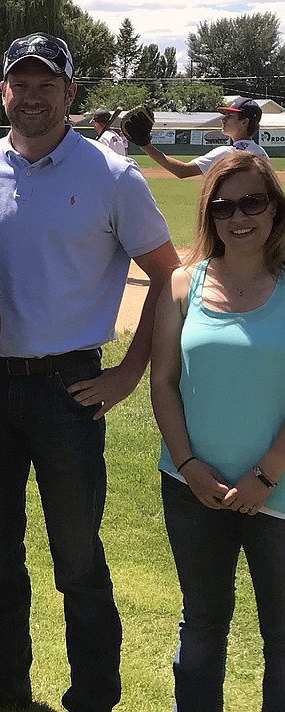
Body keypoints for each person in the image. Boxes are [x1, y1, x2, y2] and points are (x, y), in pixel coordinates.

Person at [0, 32, 180, 712]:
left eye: (48, 83)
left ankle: (94, 695)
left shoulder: (111, 176)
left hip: (68, 388)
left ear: (70, 94)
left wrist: (131, 372)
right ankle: (6, 688)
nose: (34, 95)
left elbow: (169, 276)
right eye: (22, 82)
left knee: (78, 561)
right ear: (4, 93)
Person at [149, 150, 285, 711]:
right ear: (210, 215)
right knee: (203, 624)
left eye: (253, 201)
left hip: (276, 494)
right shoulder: (183, 283)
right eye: (224, 206)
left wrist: (264, 476)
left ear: (275, 208)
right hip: (192, 489)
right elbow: (163, 382)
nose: (239, 216)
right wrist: (187, 464)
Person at [128, 97, 269, 178]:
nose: (223, 119)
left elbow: (182, 171)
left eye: (230, 116)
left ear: (244, 122)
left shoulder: (227, 154)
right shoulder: (262, 154)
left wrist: (146, 146)